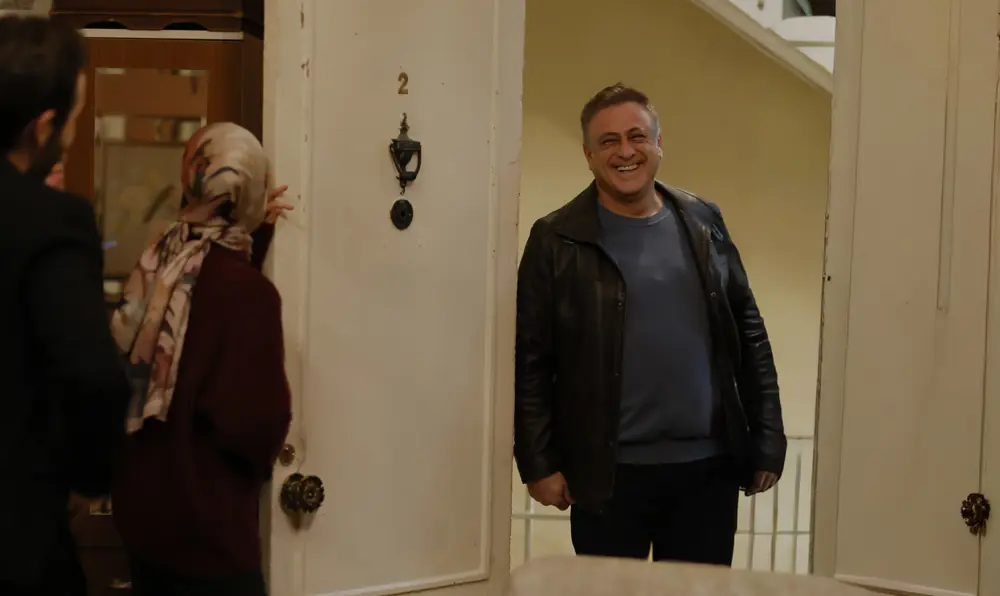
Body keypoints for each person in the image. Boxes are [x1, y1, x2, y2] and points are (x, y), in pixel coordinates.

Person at [513, 84, 786, 565]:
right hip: (607, 477)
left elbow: (749, 332)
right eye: (609, 141)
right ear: (588, 155)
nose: (625, 152)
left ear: (658, 144)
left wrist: (767, 439)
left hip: (707, 473)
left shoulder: (703, 221)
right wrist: (538, 462)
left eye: (637, 136)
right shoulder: (555, 240)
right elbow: (531, 360)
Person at [109, 122, 293, 596]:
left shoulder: (160, 258)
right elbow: (257, 423)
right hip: (206, 539)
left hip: (144, 524)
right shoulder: (249, 295)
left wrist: (254, 234)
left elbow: (197, 310)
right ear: (248, 192)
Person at [0, 15, 133, 596]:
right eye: (74, 120)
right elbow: (92, 376)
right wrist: (88, 480)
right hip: (16, 533)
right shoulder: (51, 221)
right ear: (43, 128)